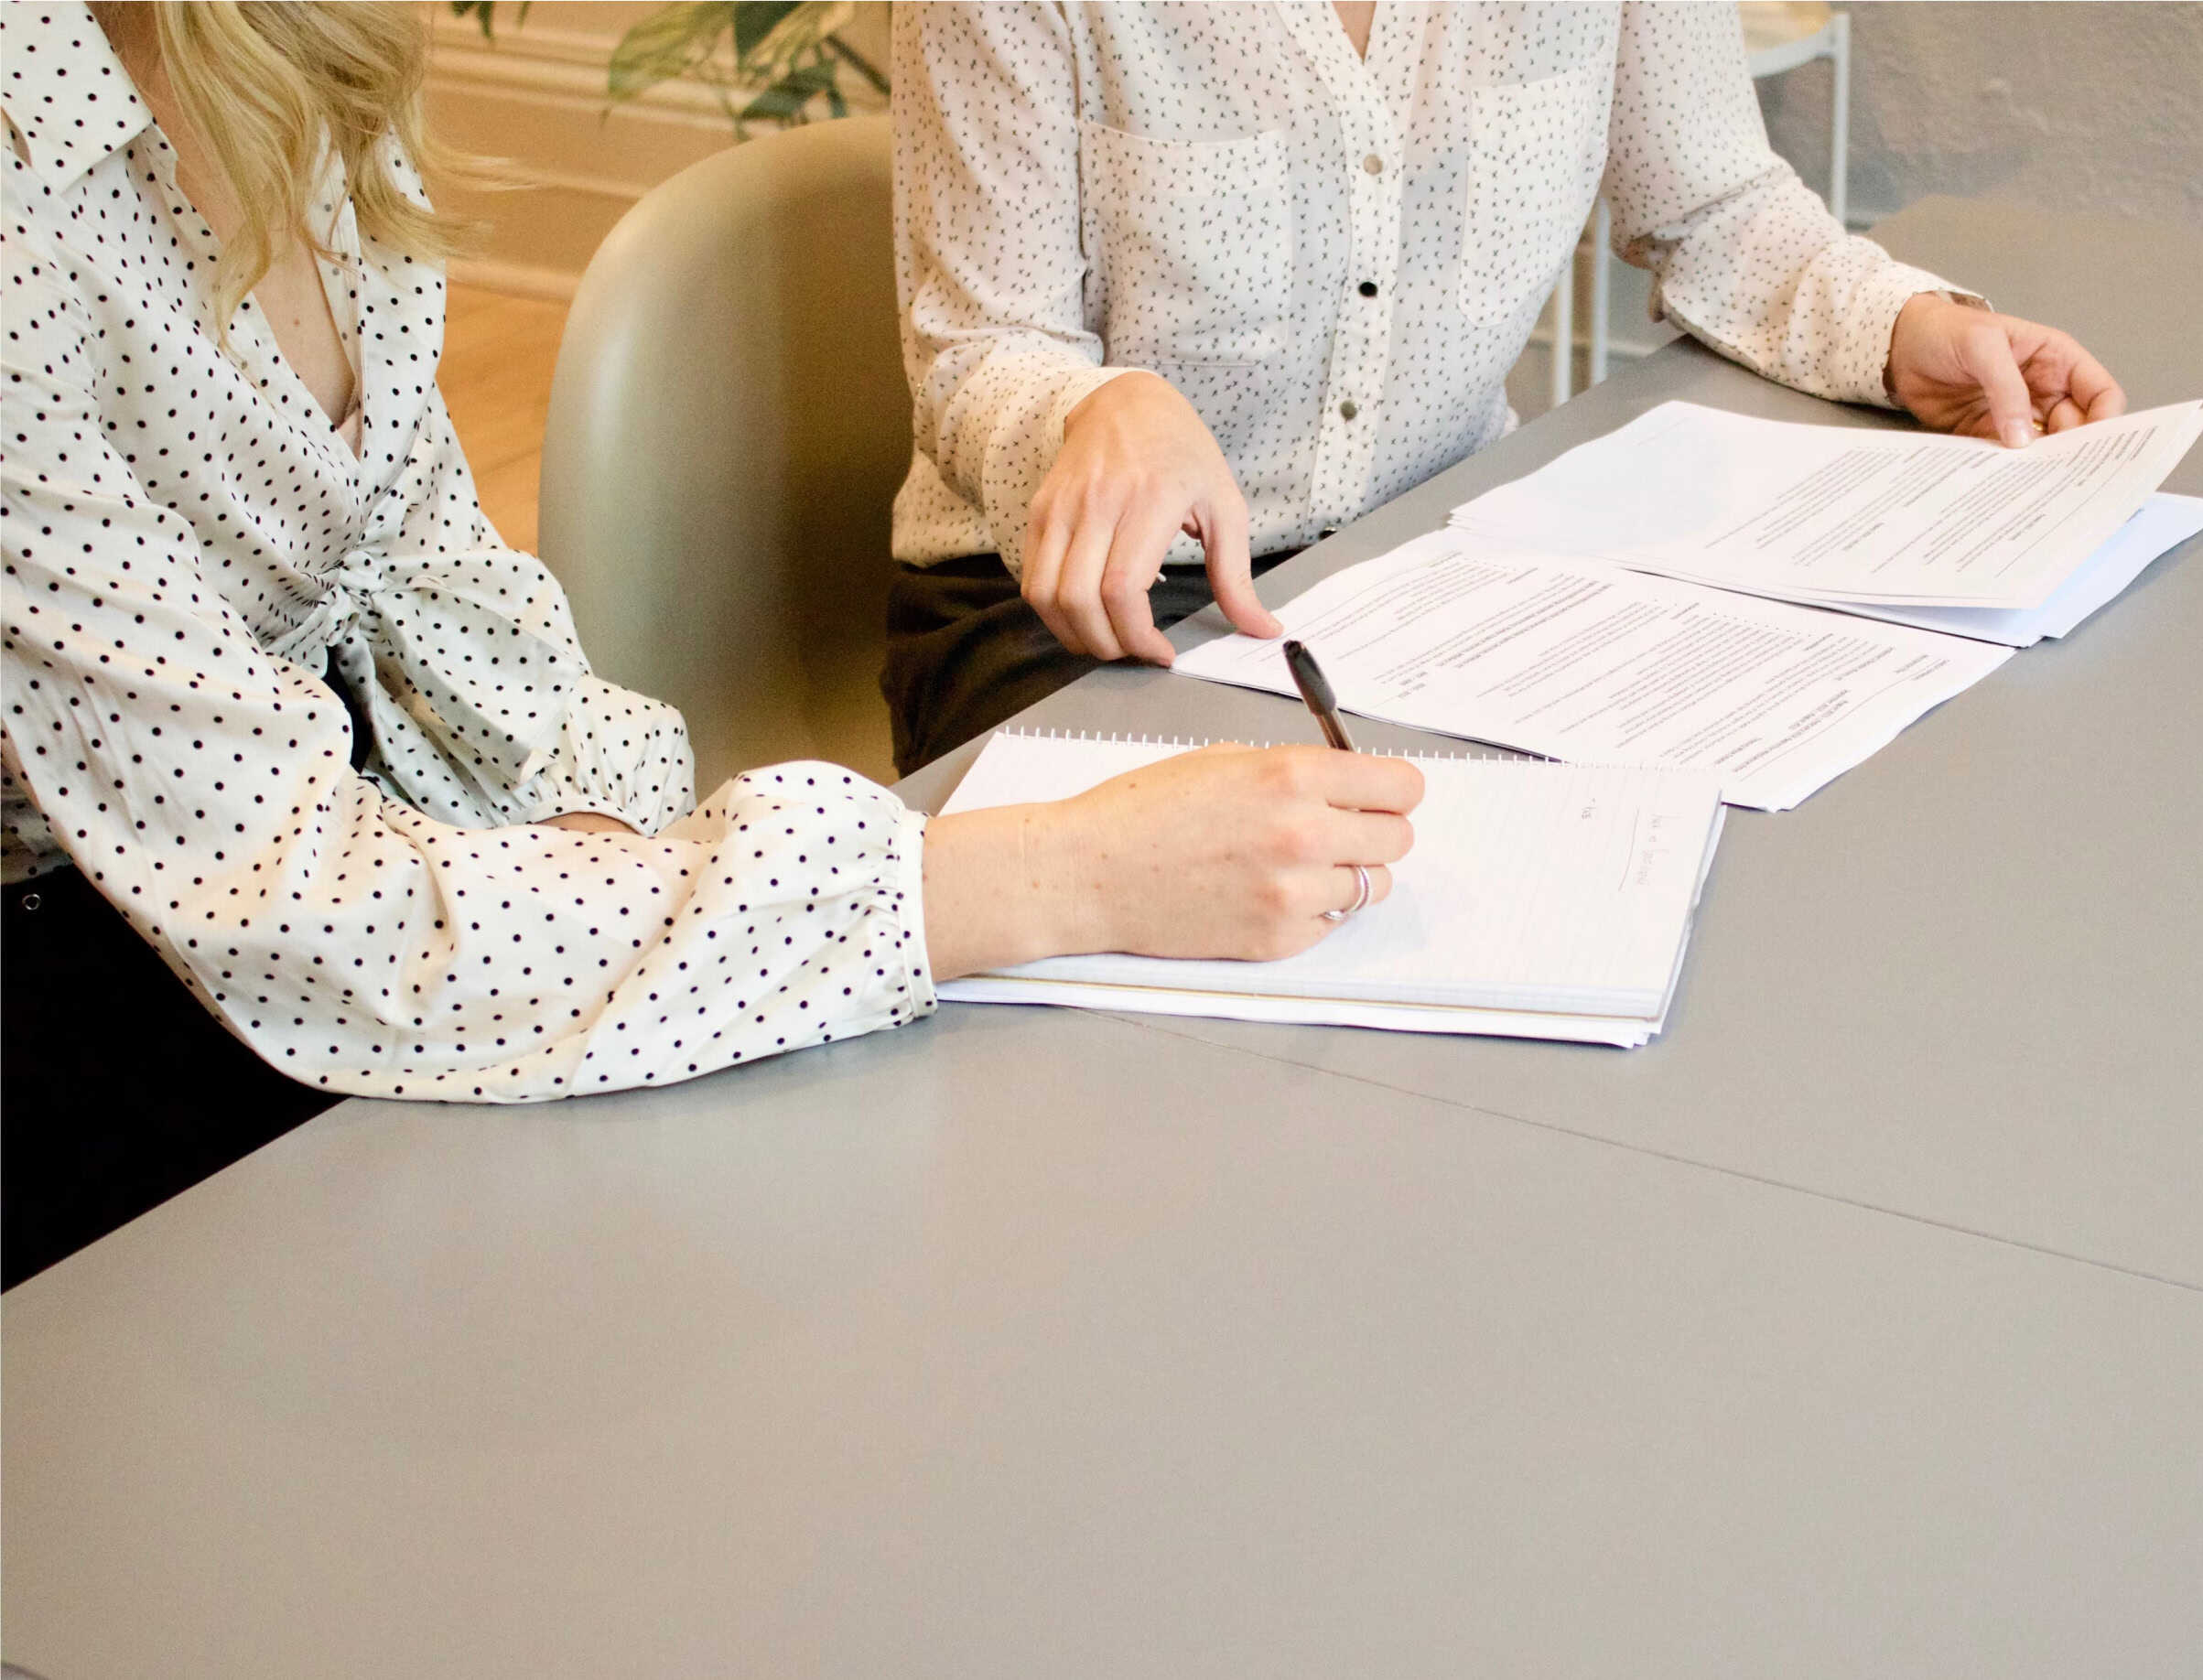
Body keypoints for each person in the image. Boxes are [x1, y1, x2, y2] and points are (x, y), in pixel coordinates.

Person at [0, 1, 1422, 1288]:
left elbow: (440, 602)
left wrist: (635, 865)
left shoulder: (295, 53)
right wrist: (1056, 876)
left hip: (344, 866)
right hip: (101, 995)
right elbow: (300, 902)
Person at [883, 0, 2129, 771]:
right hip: (1067, 609)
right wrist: (1091, 411)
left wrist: (1903, 323)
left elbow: (1712, 205)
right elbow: (977, 348)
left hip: (1428, 572)